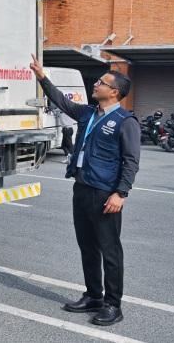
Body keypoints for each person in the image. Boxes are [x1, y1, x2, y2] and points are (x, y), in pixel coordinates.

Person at [29, 54, 139, 327]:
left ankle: (113, 305)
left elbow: (131, 161)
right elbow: (62, 102)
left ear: (114, 92)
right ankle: (93, 295)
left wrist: (121, 193)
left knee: (110, 251)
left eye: (101, 82)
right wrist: (42, 77)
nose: (96, 84)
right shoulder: (88, 112)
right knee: (87, 247)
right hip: (82, 188)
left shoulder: (126, 122)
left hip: (106, 194)